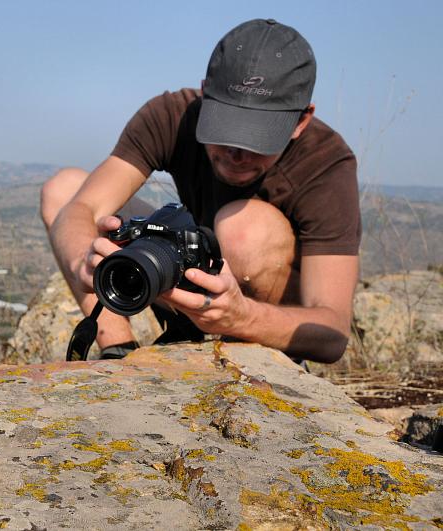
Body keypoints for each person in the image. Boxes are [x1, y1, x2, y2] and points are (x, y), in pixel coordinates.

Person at [40, 18, 360, 364]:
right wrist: (83, 263)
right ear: (206, 94)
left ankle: (250, 363)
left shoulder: (326, 162)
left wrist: (241, 316)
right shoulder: (172, 116)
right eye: (225, 129)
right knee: (64, 189)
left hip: (252, 312)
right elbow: (81, 206)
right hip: (181, 276)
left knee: (241, 229)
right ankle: (118, 351)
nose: (238, 154)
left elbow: (333, 332)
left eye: (259, 140)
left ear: (301, 121)